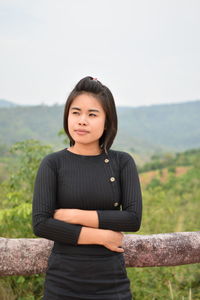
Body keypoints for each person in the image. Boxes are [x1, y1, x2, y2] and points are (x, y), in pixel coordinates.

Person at [32, 76, 142, 300]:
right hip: (62, 283)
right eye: (76, 112)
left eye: (92, 114)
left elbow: (132, 219)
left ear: (107, 120)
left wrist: (74, 215)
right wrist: (101, 237)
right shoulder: (53, 163)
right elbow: (41, 223)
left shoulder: (122, 163)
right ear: (67, 116)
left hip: (112, 282)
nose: (82, 121)